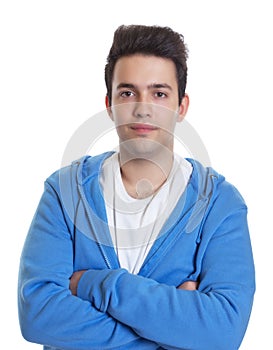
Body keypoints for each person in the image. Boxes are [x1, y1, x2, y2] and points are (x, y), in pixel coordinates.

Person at [18, 24, 255, 350]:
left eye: (159, 93)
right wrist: (174, 327)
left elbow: (223, 332)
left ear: (181, 106)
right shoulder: (65, 192)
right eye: (128, 93)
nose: (143, 107)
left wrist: (93, 283)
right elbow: (37, 315)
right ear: (109, 103)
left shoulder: (219, 204)